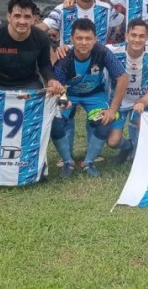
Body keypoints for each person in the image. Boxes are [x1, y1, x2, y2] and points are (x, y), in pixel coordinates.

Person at [51, 19, 128, 177]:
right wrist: (64, 101)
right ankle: (67, 162)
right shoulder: (64, 58)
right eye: (79, 38)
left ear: (95, 39)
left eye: (88, 38)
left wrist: (112, 110)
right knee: (56, 123)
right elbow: (58, 86)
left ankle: (89, 162)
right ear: (72, 39)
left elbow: (123, 78)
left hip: (94, 94)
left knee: (105, 120)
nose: (84, 42)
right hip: (69, 94)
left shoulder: (102, 52)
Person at [106, 19, 148, 164]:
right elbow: (89, 48)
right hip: (118, 102)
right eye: (133, 35)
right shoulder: (112, 51)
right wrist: (66, 48)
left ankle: (147, 157)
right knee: (113, 141)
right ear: (126, 36)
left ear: (147, 37)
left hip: (141, 103)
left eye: (141, 36)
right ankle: (128, 146)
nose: (137, 39)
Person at [0, 0, 62, 95]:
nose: (22, 21)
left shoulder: (41, 37)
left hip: (28, 84)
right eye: (17, 16)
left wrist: (51, 79)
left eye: (27, 17)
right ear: (9, 17)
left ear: (33, 19)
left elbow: (44, 64)